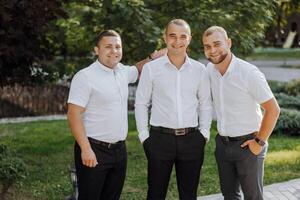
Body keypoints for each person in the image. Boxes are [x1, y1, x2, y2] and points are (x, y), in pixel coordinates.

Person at [67, 30, 165, 200]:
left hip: (119, 151)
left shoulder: (121, 71)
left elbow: (138, 69)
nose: (114, 51)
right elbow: (73, 115)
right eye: (108, 47)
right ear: (97, 50)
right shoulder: (85, 77)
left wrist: (154, 57)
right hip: (94, 149)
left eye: (118, 47)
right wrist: (86, 149)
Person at [135, 19, 212, 200]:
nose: (177, 42)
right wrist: (144, 136)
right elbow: (141, 103)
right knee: (155, 193)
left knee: (189, 195)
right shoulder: (151, 70)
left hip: (192, 140)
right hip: (159, 140)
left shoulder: (200, 70)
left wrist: (204, 134)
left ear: (189, 39)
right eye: (172, 36)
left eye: (182, 37)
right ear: (165, 37)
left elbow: (206, 104)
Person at [202, 26, 280, 200]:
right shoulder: (210, 70)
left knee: (253, 197)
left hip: (249, 144)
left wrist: (259, 142)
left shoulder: (248, 73)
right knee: (229, 195)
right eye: (207, 46)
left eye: (217, 44)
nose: (212, 50)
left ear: (228, 43)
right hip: (222, 145)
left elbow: (273, 109)